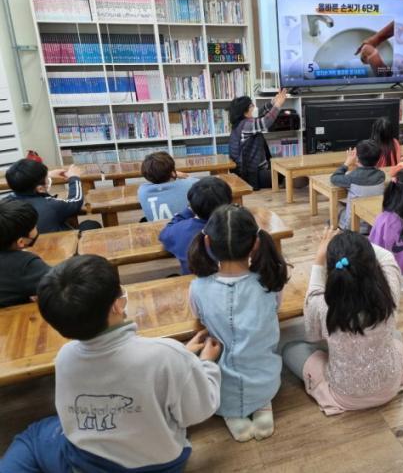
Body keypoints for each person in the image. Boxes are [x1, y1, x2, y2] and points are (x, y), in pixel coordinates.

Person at [0, 255, 222, 472]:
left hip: (85, 462)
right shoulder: (167, 355)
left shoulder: (65, 356)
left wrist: (180, 357)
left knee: (33, 436)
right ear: (117, 305)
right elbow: (199, 411)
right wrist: (206, 364)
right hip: (161, 465)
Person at [281, 229, 403, 415]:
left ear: (332, 270)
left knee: (289, 350)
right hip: (390, 387)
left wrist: (319, 257)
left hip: (345, 396)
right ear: (371, 264)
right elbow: (387, 257)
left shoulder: (323, 306)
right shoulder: (388, 291)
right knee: (396, 336)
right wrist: (355, 246)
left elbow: (312, 333)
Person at [188, 204, 289, 442]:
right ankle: (262, 404)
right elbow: (274, 310)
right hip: (265, 377)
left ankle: (232, 413)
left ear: (207, 242)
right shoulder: (270, 282)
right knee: (258, 355)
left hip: (221, 386)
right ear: (256, 243)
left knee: (215, 357)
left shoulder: (197, 288)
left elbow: (198, 319)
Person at [159, 176, 233, 274]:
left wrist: (187, 212)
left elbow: (164, 235)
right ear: (229, 203)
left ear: (192, 206)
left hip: (193, 280)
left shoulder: (180, 230)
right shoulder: (237, 227)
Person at [5, 158, 99, 233]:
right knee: (90, 224)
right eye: (46, 178)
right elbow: (76, 201)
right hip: (57, 246)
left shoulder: (5, 203)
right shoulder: (51, 205)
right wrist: (74, 178)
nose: (48, 179)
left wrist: (48, 175)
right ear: (40, 189)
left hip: (24, 247)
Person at [228, 89, 287, 190]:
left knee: (282, 169)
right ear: (245, 112)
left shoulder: (240, 124)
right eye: (251, 106)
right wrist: (278, 105)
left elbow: (259, 113)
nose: (254, 107)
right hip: (252, 175)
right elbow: (266, 122)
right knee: (285, 173)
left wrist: (273, 102)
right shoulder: (246, 125)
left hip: (249, 172)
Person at [0, 199, 50, 307]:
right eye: (34, 226)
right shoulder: (25, 265)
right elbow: (60, 286)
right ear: (21, 242)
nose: (36, 227)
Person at [330, 140, 385, 232]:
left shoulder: (352, 177)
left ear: (357, 158)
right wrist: (358, 162)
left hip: (353, 225)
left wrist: (346, 163)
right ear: (378, 159)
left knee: (339, 209)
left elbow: (334, 178)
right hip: (373, 224)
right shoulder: (381, 175)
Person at [138, 152, 198, 222]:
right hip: (184, 227)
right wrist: (175, 174)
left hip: (157, 228)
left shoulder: (142, 191)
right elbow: (200, 183)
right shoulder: (190, 184)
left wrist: (172, 173)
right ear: (172, 172)